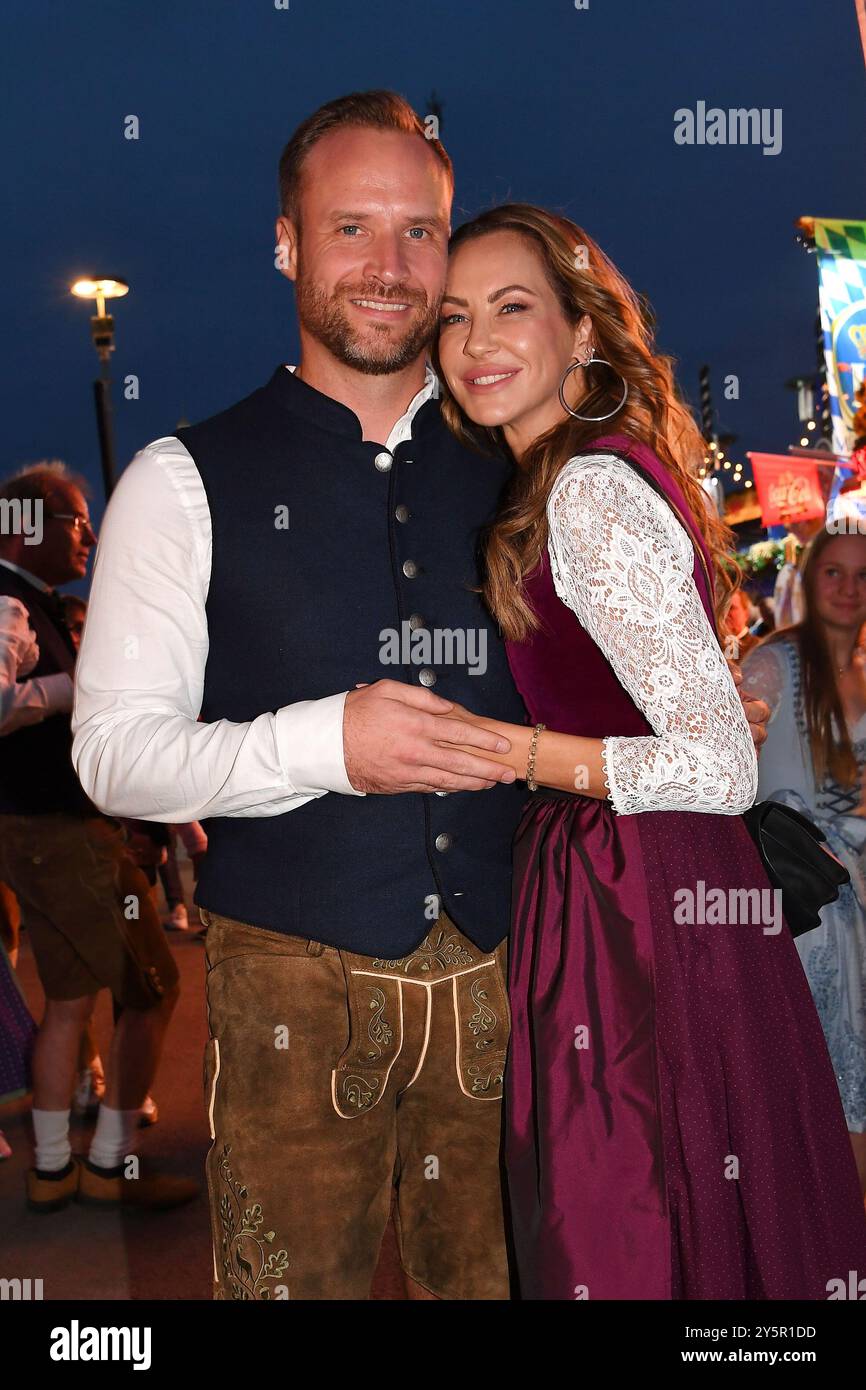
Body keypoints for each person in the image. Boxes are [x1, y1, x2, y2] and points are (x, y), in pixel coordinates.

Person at [71, 92, 767, 1300]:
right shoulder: (180, 479)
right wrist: (322, 742)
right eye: (351, 229)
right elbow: (113, 755)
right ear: (288, 244)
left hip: (526, 993)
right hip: (290, 990)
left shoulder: (527, 466)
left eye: (417, 232)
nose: (388, 267)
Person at [432, 203, 866, 1298]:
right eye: (452, 316)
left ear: (582, 333)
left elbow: (715, 762)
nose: (474, 340)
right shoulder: (565, 478)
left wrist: (510, 748)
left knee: (630, 1215)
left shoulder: (583, 491)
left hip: (636, 896)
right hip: (632, 881)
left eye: (509, 307)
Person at [0, 462, 196, 1211]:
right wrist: (72, 686)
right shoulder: (12, 601)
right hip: (63, 832)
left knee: (70, 997)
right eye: (75, 520)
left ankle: (53, 1170)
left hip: (35, 829)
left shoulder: (31, 602)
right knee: (154, 987)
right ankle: (111, 1165)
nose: (88, 534)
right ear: (24, 527)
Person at [743, 528, 866, 1196]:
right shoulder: (778, 662)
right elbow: (742, 737)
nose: (849, 589)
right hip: (805, 907)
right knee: (817, 1085)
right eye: (834, 574)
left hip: (858, 903)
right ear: (811, 579)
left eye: (862, 576)